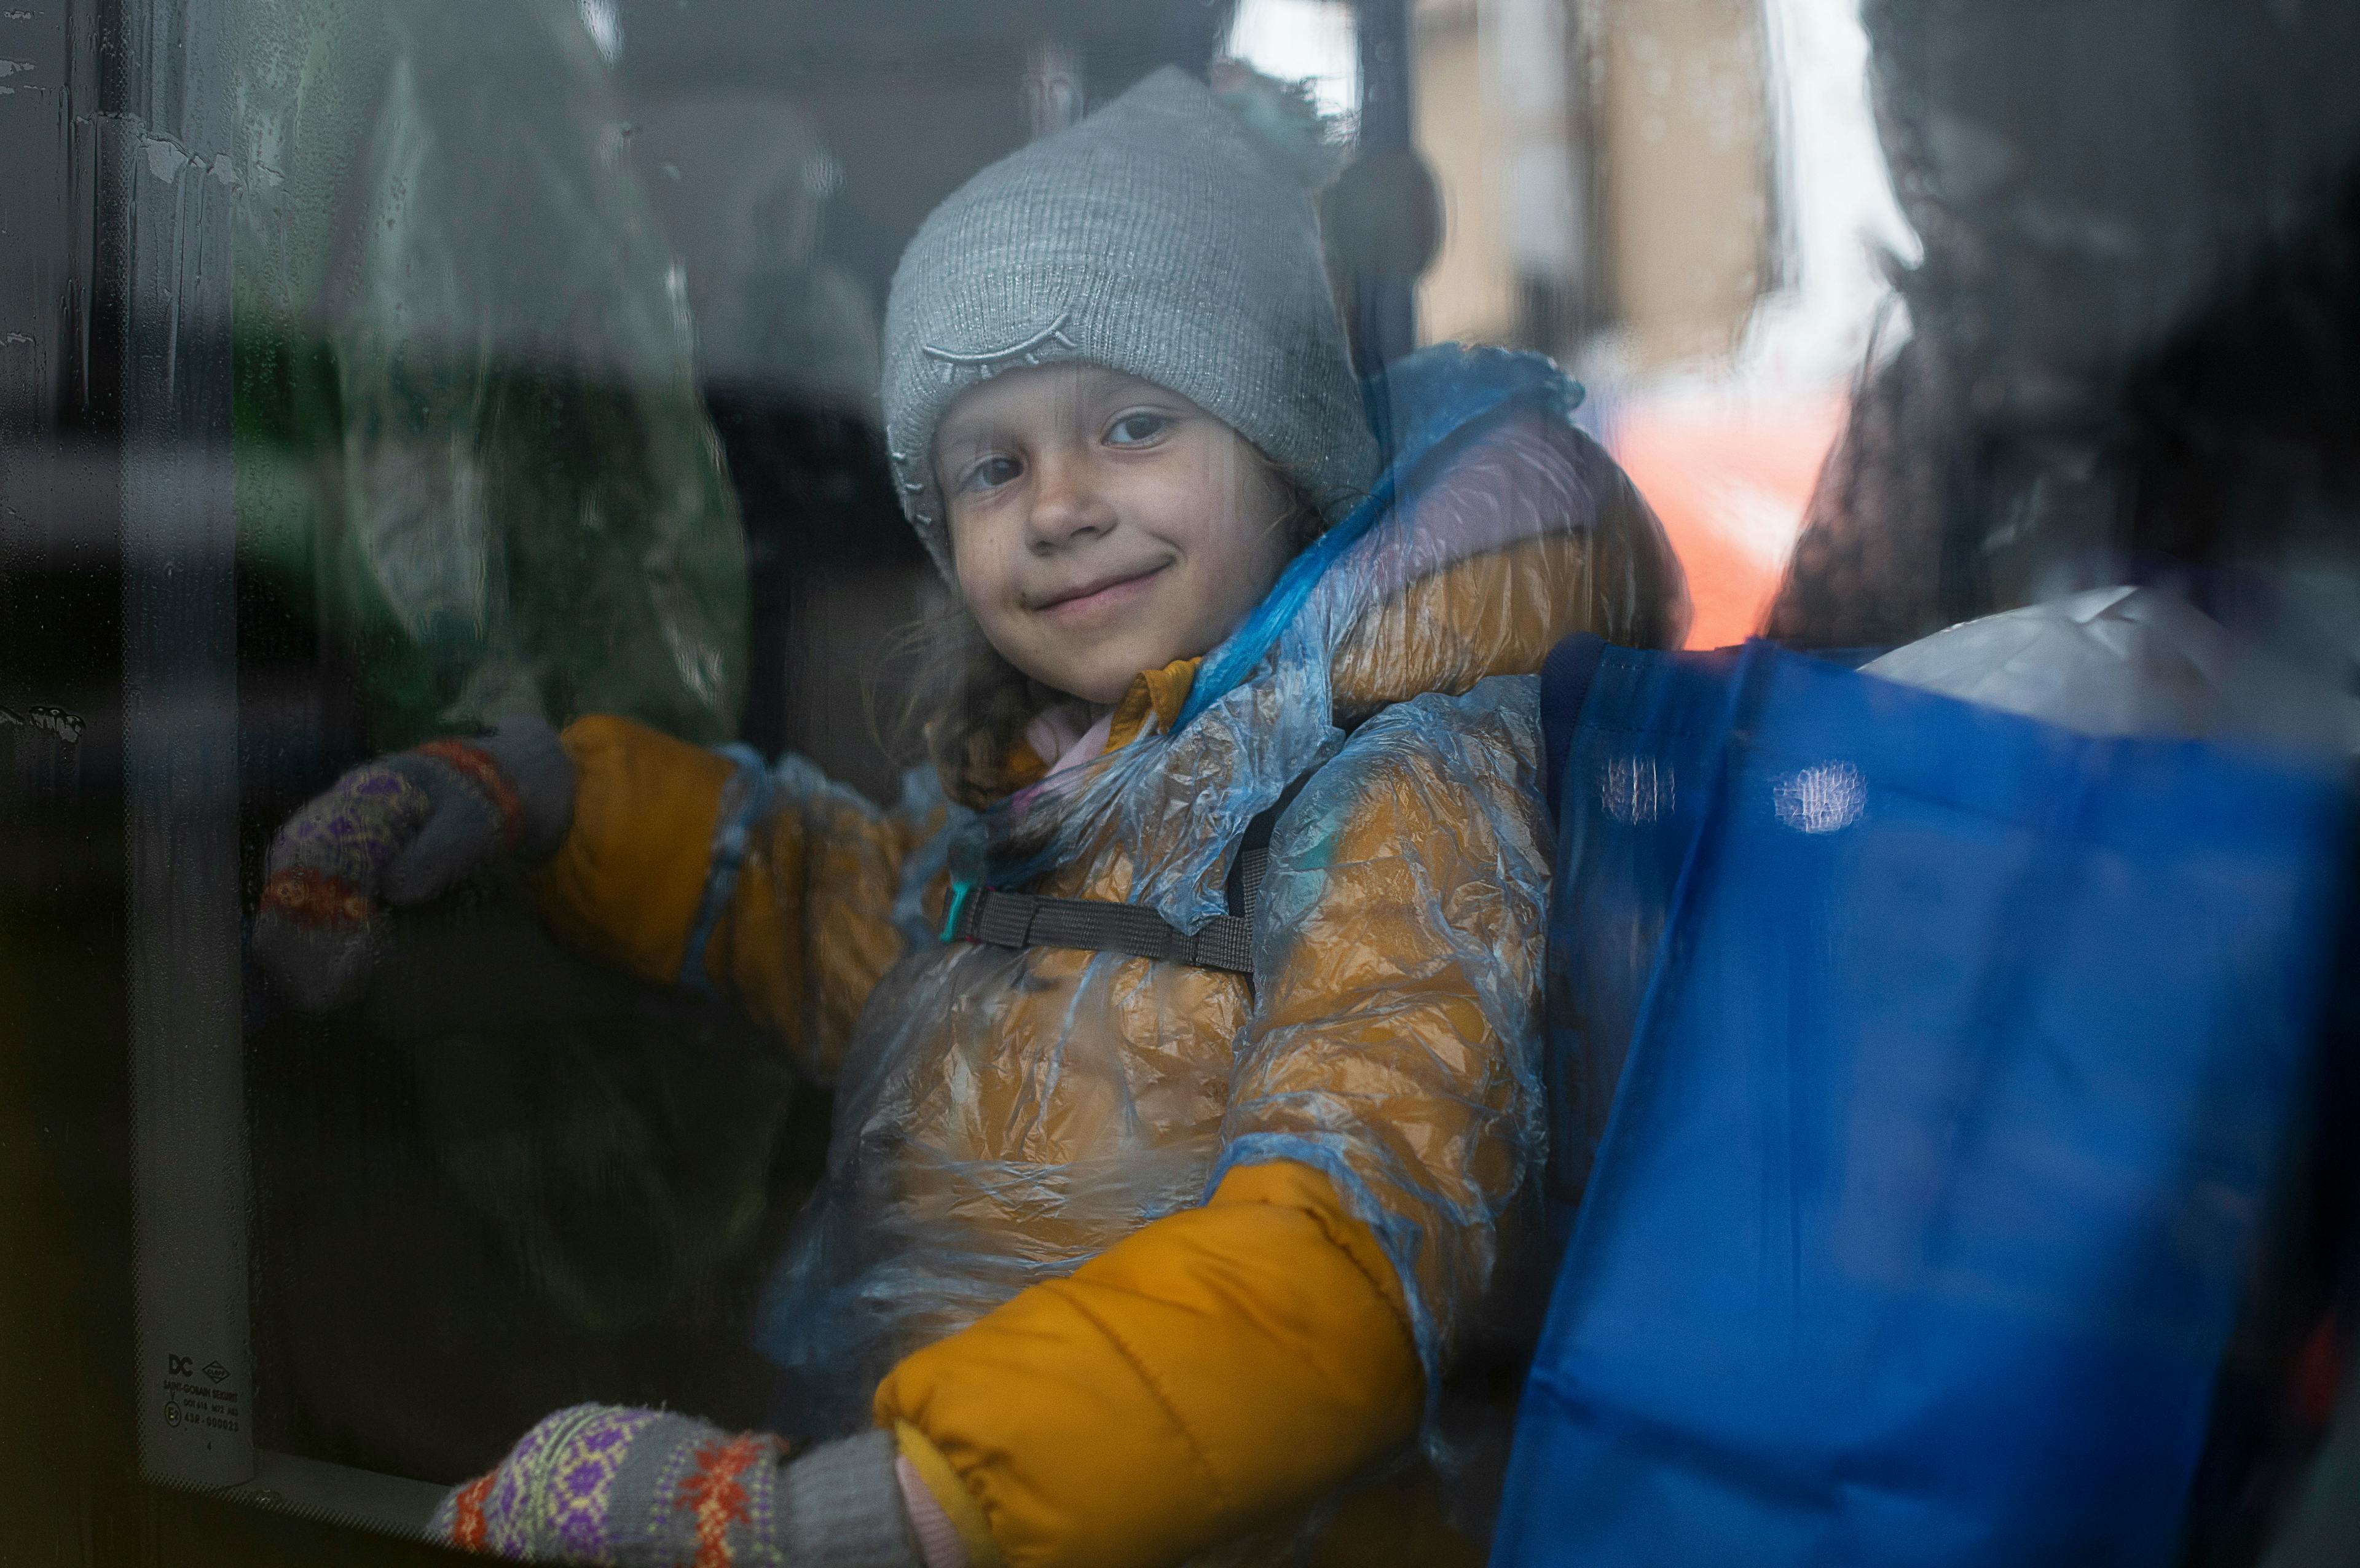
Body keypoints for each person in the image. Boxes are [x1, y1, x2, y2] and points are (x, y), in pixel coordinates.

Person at [254, 66, 1685, 1567]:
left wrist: (856, 1515)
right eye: (992, 464)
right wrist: (540, 795)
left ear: (1281, 451)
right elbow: (840, 910)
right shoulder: (1066, 790)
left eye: (1134, 425)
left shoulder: (1400, 793)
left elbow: (1336, 1271)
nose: (1057, 502)